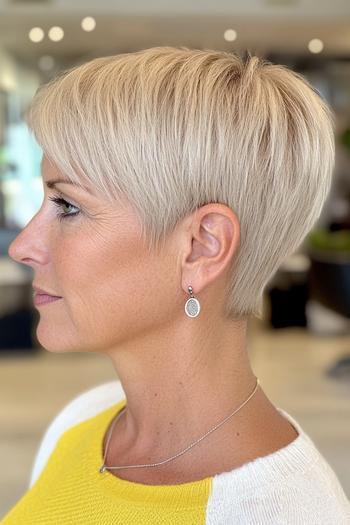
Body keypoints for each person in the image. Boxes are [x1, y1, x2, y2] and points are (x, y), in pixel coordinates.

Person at [2, 46, 350, 524]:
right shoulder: (83, 421)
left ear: (201, 246)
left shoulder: (282, 512)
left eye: (68, 206)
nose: (22, 246)